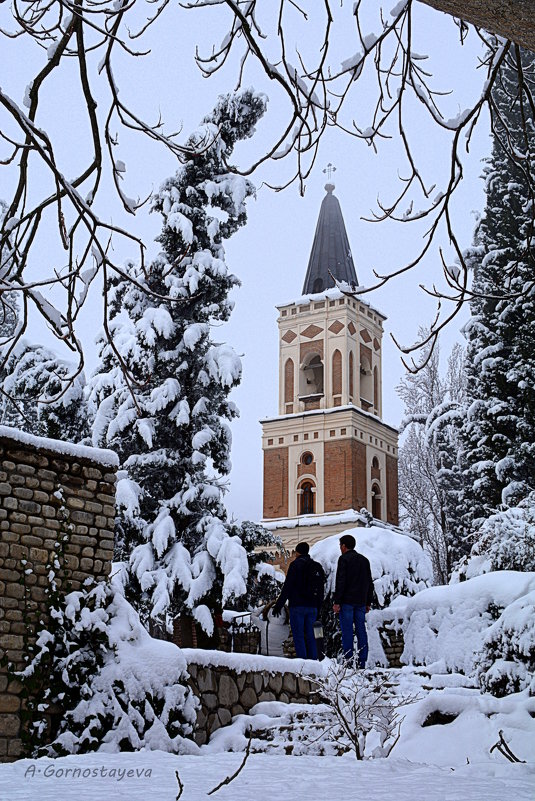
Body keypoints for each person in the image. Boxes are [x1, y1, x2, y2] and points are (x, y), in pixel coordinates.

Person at [272, 541, 325, 660]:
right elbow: (321, 590)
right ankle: (313, 662)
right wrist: (318, 608)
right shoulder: (316, 566)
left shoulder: (295, 565)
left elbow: (288, 586)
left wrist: (279, 605)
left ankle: (302, 664)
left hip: (297, 606)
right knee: (311, 636)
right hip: (312, 607)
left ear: (297, 552)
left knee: (299, 636)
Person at [333, 533, 374, 667]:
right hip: (361, 602)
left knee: (347, 632)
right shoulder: (364, 560)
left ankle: (348, 661)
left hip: (347, 601)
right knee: (361, 630)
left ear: (344, 546)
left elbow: (341, 581)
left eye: (340, 545)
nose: (340, 548)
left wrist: (337, 601)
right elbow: (369, 582)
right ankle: (362, 660)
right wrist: (368, 601)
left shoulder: (344, 559)